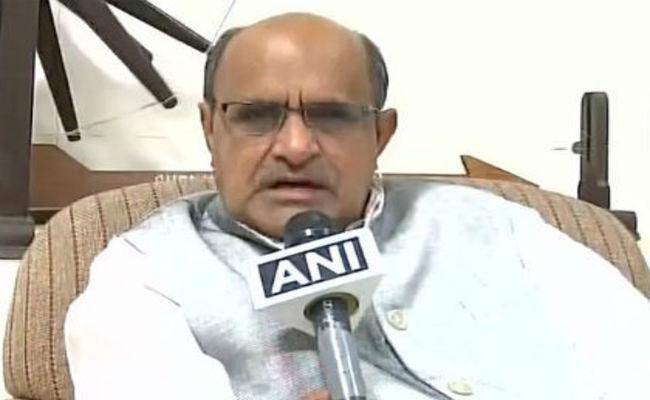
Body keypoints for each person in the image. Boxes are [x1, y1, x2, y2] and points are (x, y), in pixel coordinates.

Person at [64, 12, 650, 400]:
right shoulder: (145, 275)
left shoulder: (503, 228)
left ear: (381, 135)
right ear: (211, 129)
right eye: (257, 115)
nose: (296, 147)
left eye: (333, 115)